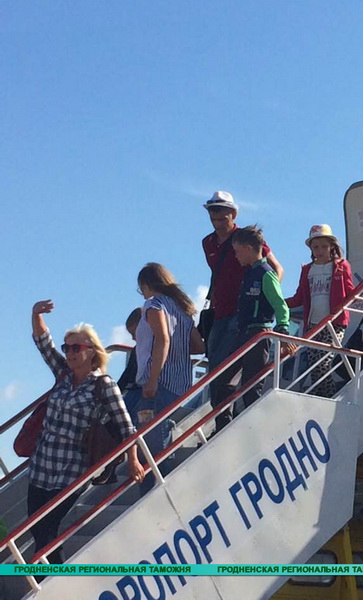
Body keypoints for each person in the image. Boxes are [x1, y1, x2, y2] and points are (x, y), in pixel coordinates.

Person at [29, 300, 144, 563]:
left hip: (70, 470)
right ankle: (51, 580)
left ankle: (49, 581)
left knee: (48, 531)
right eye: (67, 347)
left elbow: (126, 427)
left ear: (92, 351)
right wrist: (36, 315)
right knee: (38, 531)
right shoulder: (64, 375)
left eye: (76, 348)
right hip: (41, 466)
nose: (69, 353)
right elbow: (44, 344)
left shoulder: (103, 385)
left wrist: (133, 460)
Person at [201, 191, 284, 425]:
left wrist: (264, 296)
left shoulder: (246, 238)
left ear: (233, 214)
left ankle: (233, 422)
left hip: (244, 315)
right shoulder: (208, 243)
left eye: (222, 216)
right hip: (220, 313)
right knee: (216, 371)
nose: (217, 221)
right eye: (213, 216)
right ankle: (222, 423)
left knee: (235, 370)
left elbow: (276, 269)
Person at [128, 263, 204, 492]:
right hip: (179, 383)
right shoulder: (182, 309)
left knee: (151, 448)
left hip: (158, 382)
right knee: (158, 439)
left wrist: (153, 379)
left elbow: (162, 339)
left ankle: (153, 495)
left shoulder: (154, 305)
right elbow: (198, 346)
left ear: (146, 285)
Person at [218, 226, 294, 426]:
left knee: (252, 385)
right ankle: (224, 426)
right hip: (243, 333)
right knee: (223, 381)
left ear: (249, 248)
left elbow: (280, 305)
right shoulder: (250, 273)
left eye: (237, 251)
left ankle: (256, 427)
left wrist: (283, 328)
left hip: (259, 334)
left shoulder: (266, 274)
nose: (236, 256)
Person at [285, 224, 355, 397]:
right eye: (316, 247)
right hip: (313, 324)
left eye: (324, 246)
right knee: (314, 365)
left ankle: (327, 396)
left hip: (334, 322)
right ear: (311, 248)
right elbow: (299, 298)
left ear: (331, 246)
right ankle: (322, 396)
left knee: (324, 363)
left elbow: (350, 292)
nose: (320, 250)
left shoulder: (341, 266)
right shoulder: (307, 270)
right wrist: (279, 303)